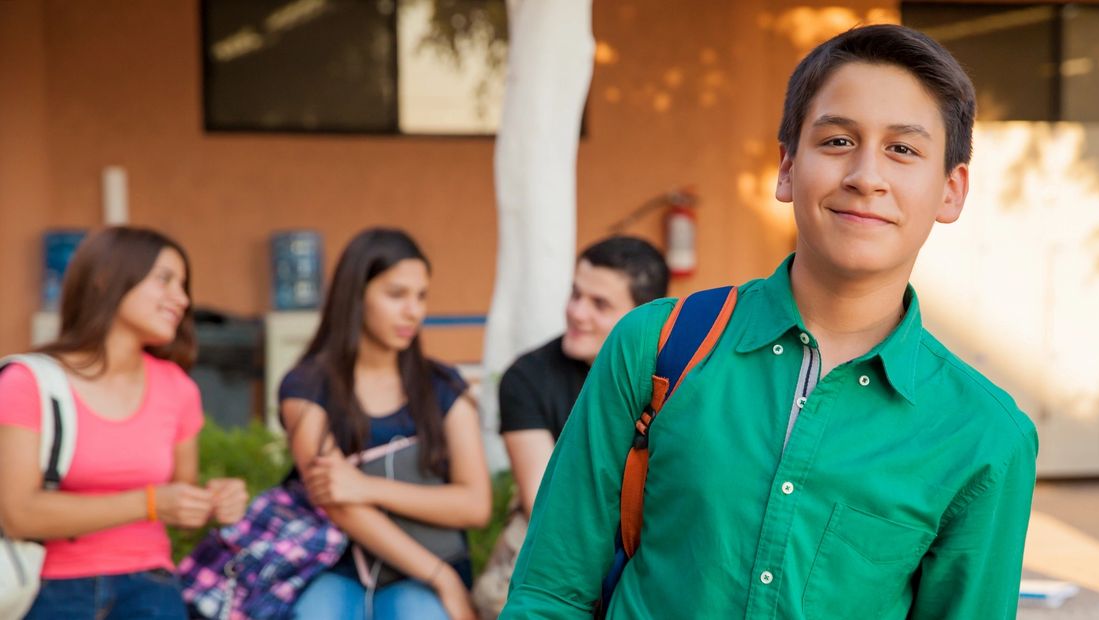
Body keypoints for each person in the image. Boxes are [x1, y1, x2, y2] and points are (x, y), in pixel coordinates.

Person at [503, 24, 1038, 619]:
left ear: (951, 191)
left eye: (903, 149)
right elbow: (550, 591)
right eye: (837, 141)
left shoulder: (984, 436)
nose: (865, 176)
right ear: (786, 168)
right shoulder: (656, 346)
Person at [0, 226, 248, 620]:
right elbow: (18, 514)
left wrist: (213, 501)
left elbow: (178, 506)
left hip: (151, 590)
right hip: (49, 591)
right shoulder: (29, 383)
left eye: (184, 285)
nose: (182, 299)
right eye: (165, 279)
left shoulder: (177, 388)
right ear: (105, 280)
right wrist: (148, 503)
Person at [279, 228, 489, 620]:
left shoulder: (443, 388)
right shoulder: (306, 387)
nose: (414, 311)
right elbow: (337, 503)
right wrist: (441, 577)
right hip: (334, 565)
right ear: (356, 296)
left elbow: (475, 505)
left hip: (427, 565)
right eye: (396, 295)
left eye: (421, 296)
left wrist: (366, 486)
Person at [499, 236, 669, 517]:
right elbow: (543, 505)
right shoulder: (527, 377)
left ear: (643, 318)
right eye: (575, 294)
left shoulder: (676, 374)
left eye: (599, 304)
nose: (577, 313)